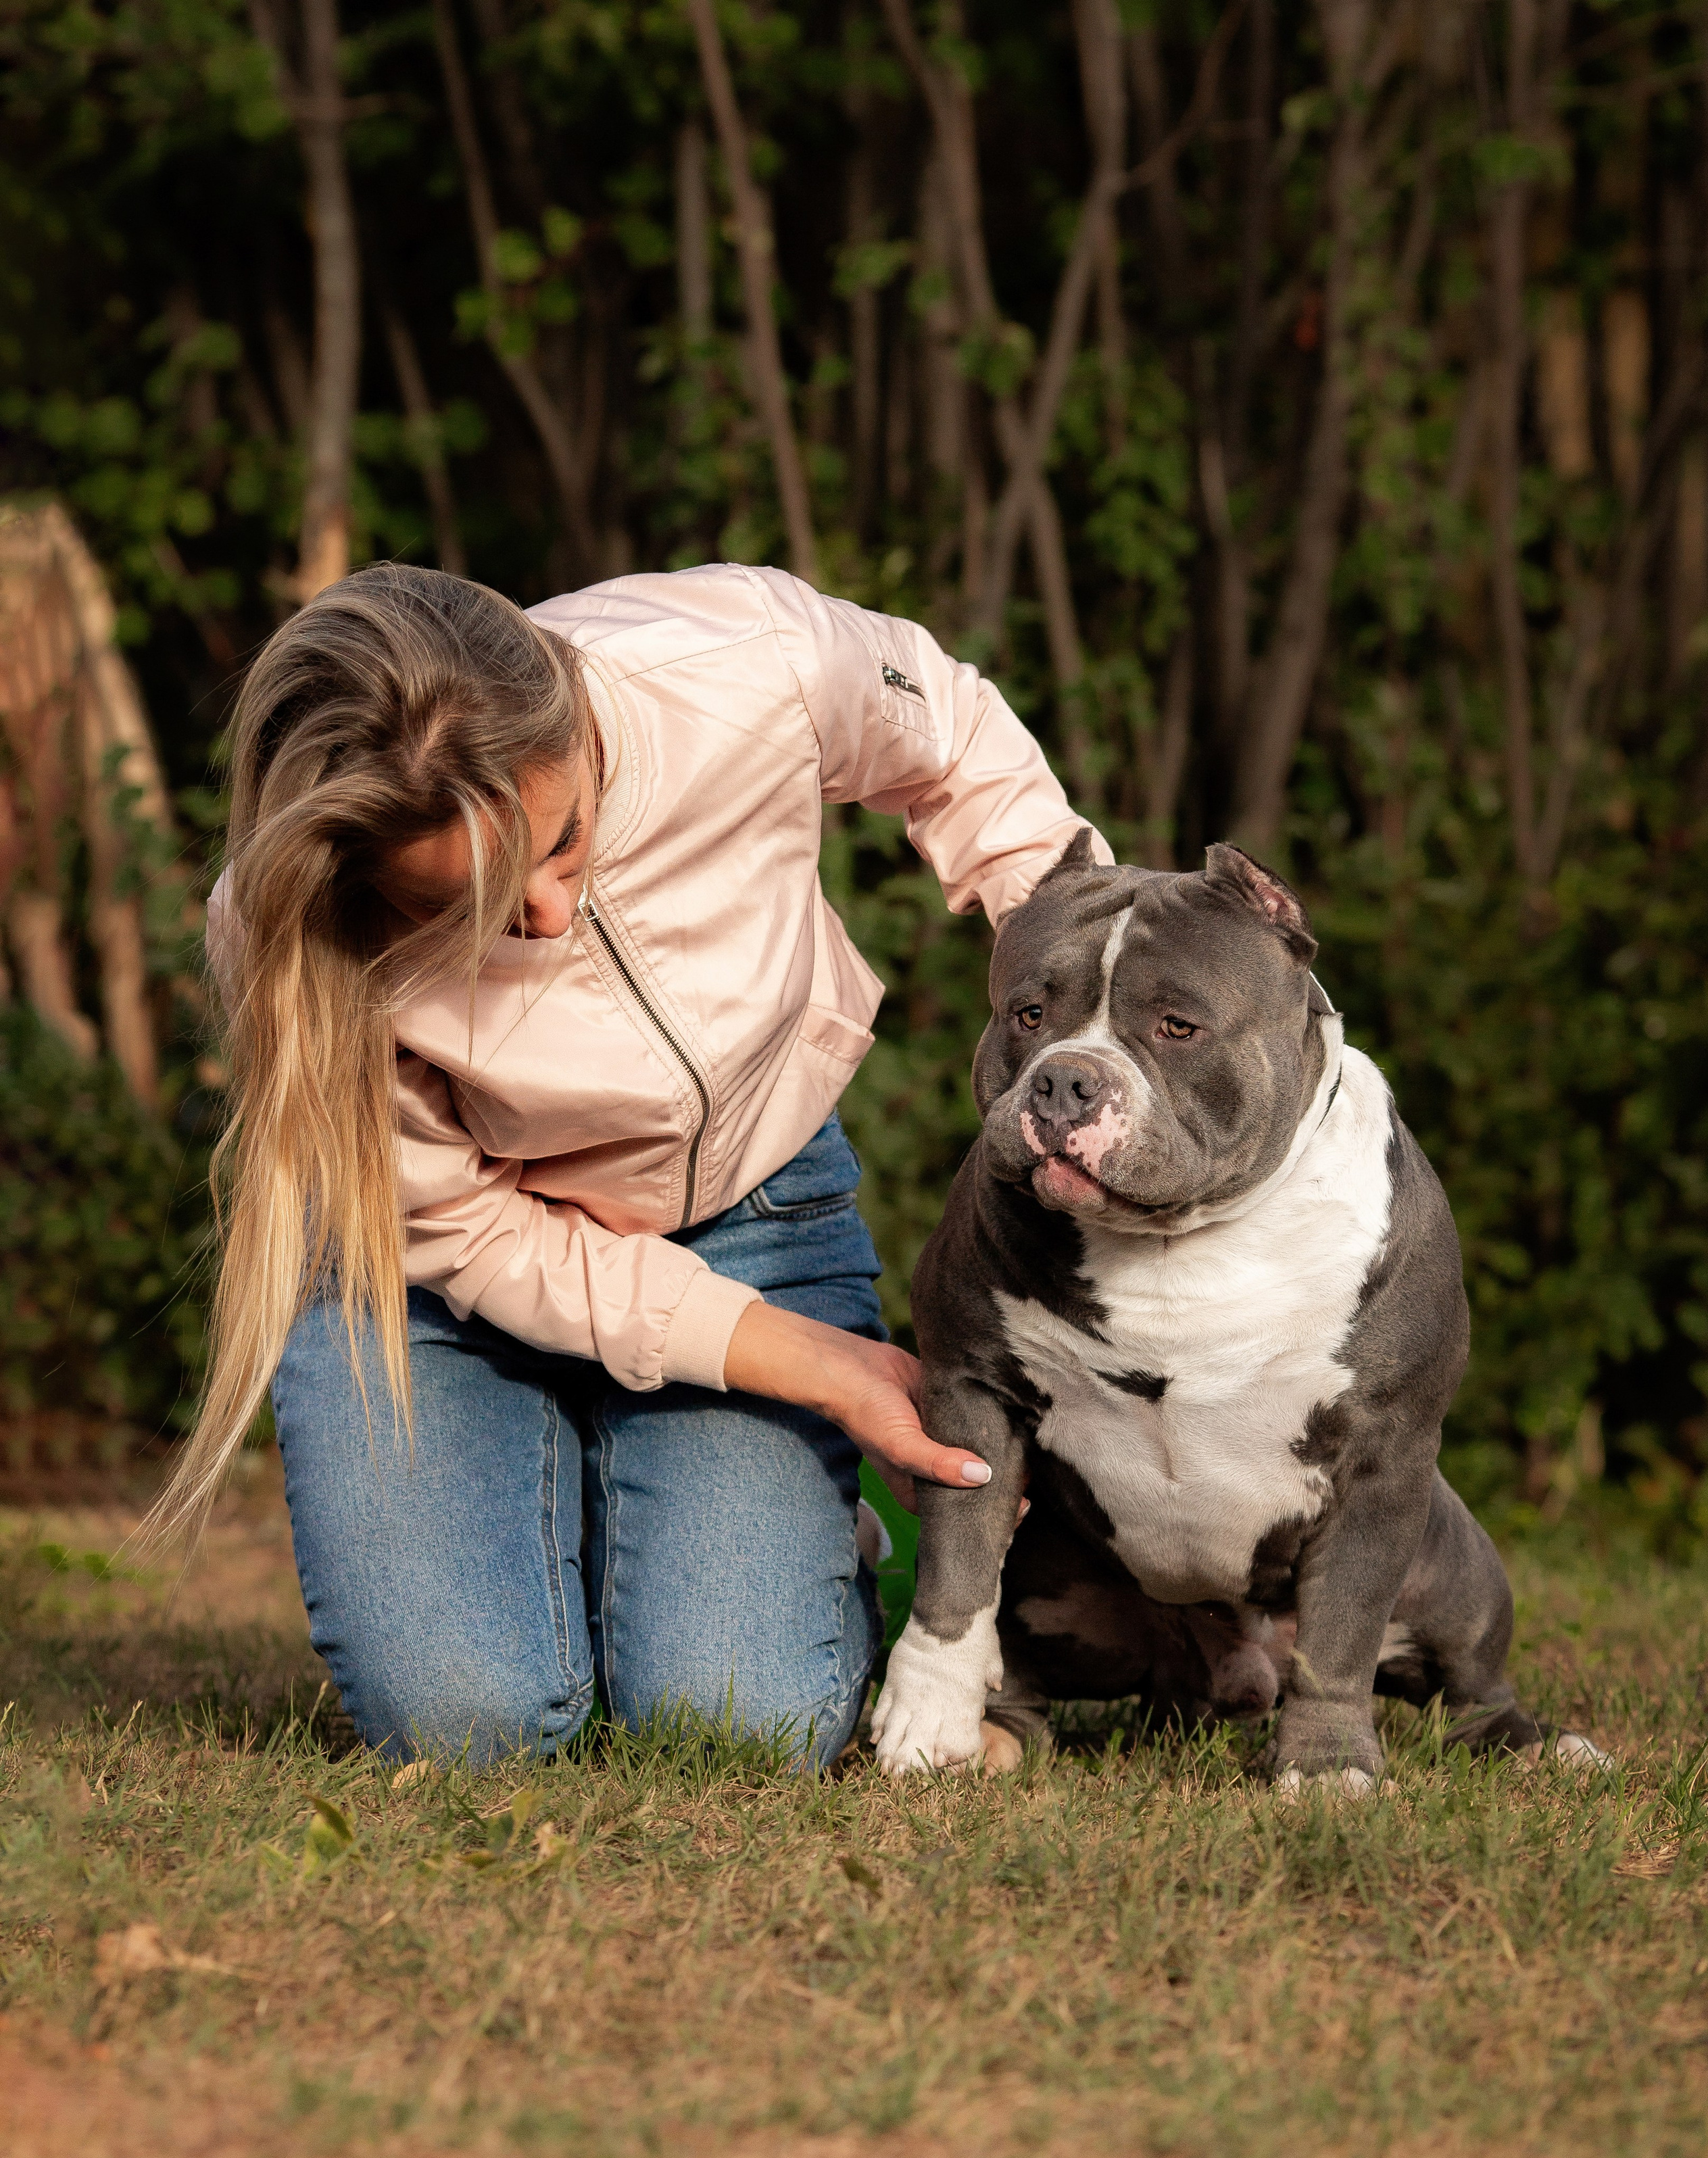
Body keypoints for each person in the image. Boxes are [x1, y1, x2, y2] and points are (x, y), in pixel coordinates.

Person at [172, 560, 1106, 1767]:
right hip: (444, 1285)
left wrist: (1081, 988)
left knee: (742, 1725)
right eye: (484, 909)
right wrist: (817, 1365)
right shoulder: (282, 928)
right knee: (471, 1728)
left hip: (745, 1209)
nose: (550, 916)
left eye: (563, 841)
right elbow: (471, 1235)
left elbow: (954, 737)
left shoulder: (739, 660)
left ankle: (783, 1541)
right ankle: (567, 1474)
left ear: (572, 710)